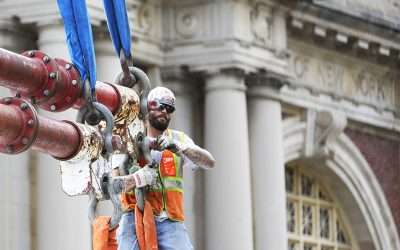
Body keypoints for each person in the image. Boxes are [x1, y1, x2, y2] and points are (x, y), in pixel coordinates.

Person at [112, 86, 215, 250]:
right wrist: (138, 178)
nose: (165, 111)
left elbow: (209, 162)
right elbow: (114, 183)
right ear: (148, 107)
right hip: (135, 217)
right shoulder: (129, 140)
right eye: (160, 106)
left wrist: (180, 147)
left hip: (170, 221)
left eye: (169, 108)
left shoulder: (178, 138)